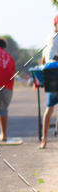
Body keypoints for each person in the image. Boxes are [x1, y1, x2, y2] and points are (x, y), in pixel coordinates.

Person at [39, 15, 58, 148]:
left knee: (49, 107)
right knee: (50, 107)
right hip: (54, 72)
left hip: (50, 72)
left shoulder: (49, 36)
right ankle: (44, 139)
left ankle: (44, 140)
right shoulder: (54, 37)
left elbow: (44, 56)